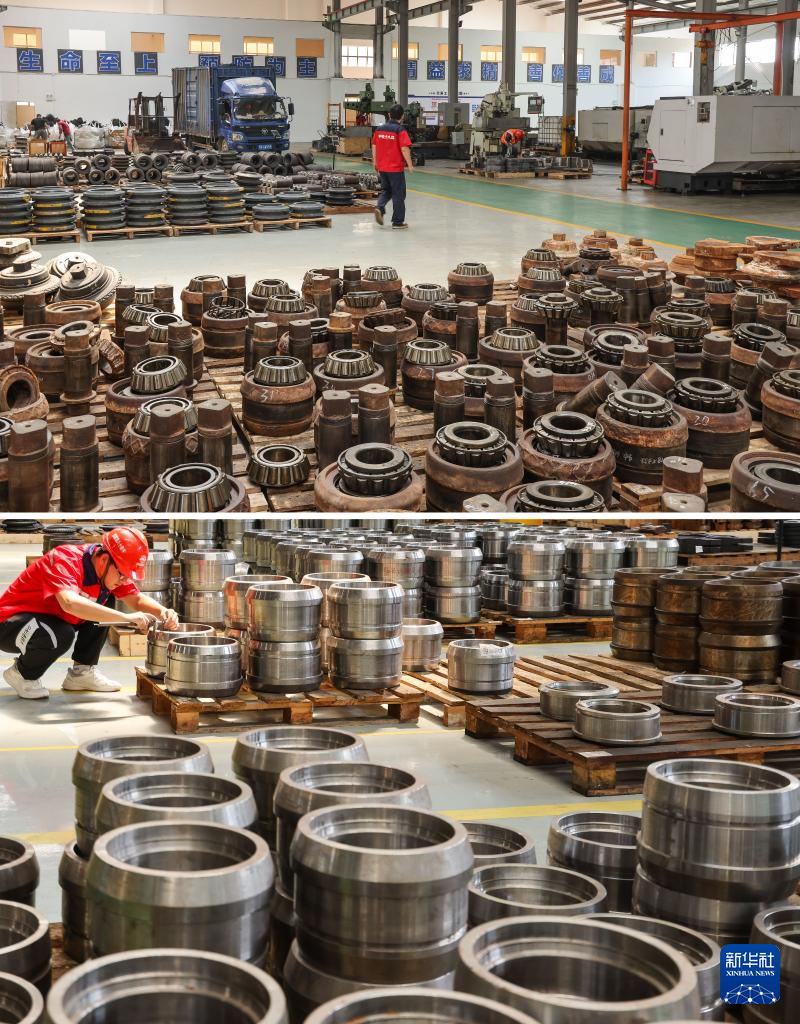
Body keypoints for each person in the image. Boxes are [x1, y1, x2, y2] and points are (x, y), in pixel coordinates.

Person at [0, 526, 178, 700]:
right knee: (61, 634)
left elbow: (136, 599)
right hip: (10, 625)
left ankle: (81, 673)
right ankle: (22, 674)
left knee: (105, 600)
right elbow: (70, 603)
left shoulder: (109, 568)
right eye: (123, 575)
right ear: (104, 560)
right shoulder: (65, 559)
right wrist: (125, 618)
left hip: (49, 618)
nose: (125, 581)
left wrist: (163, 611)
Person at [372, 104, 413, 229]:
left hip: (382, 167)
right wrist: (410, 164)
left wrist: (375, 162)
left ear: (389, 115)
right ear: (402, 116)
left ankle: (380, 207)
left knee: (386, 190)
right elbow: (404, 148)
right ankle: (398, 222)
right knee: (399, 194)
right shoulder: (400, 130)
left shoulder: (379, 129)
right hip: (395, 168)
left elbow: (374, 145)